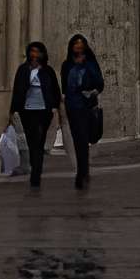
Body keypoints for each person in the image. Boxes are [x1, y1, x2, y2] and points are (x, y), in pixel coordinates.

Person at [9, 41, 65, 189]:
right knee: (32, 142)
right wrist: (13, 110)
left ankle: (36, 174)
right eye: (32, 51)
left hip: (44, 111)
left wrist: (57, 110)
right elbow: (17, 90)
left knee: (39, 142)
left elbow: (55, 91)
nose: (34, 55)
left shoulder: (48, 71)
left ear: (42, 54)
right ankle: (36, 168)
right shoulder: (23, 70)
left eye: (37, 52)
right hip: (27, 111)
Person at [60, 32, 104, 191]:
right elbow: (64, 85)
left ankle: (83, 172)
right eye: (75, 43)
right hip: (73, 106)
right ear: (72, 46)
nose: (78, 46)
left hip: (87, 105)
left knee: (85, 139)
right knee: (78, 140)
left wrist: (92, 92)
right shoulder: (67, 65)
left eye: (80, 43)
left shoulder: (91, 63)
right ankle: (82, 172)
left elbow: (100, 83)